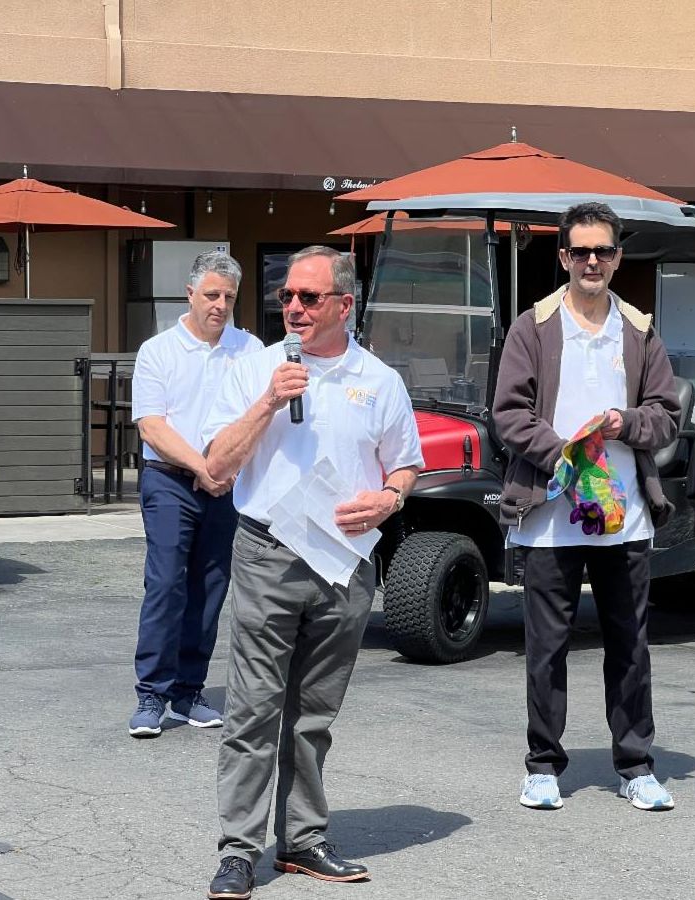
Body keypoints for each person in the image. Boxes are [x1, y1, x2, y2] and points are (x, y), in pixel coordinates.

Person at [201, 246, 423, 899]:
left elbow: (405, 465)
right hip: (268, 553)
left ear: (344, 305)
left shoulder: (380, 380)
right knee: (253, 709)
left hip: (344, 561)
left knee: (313, 713)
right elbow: (216, 465)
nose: (293, 308)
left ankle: (301, 839)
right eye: (286, 296)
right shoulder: (255, 369)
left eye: (309, 297)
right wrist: (268, 403)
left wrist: (389, 499)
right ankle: (239, 850)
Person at [493, 202, 681, 812]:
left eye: (602, 250)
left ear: (618, 257)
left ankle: (636, 765)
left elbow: (666, 414)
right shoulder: (533, 327)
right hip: (551, 514)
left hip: (624, 516)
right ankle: (543, 765)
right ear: (563, 257)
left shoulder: (640, 330)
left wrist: (626, 422)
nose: (591, 261)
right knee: (547, 648)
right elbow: (509, 413)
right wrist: (566, 456)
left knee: (630, 645)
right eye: (580, 251)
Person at [127, 250, 262, 738]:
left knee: (210, 588)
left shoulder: (250, 350)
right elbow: (151, 426)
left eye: (229, 296)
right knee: (166, 584)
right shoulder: (158, 351)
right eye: (211, 295)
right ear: (190, 294)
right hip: (169, 481)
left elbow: (259, 418)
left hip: (226, 486)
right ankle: (151, 694)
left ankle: (188, 692)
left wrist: (228, 471)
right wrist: (203, 467)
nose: (220, 305)